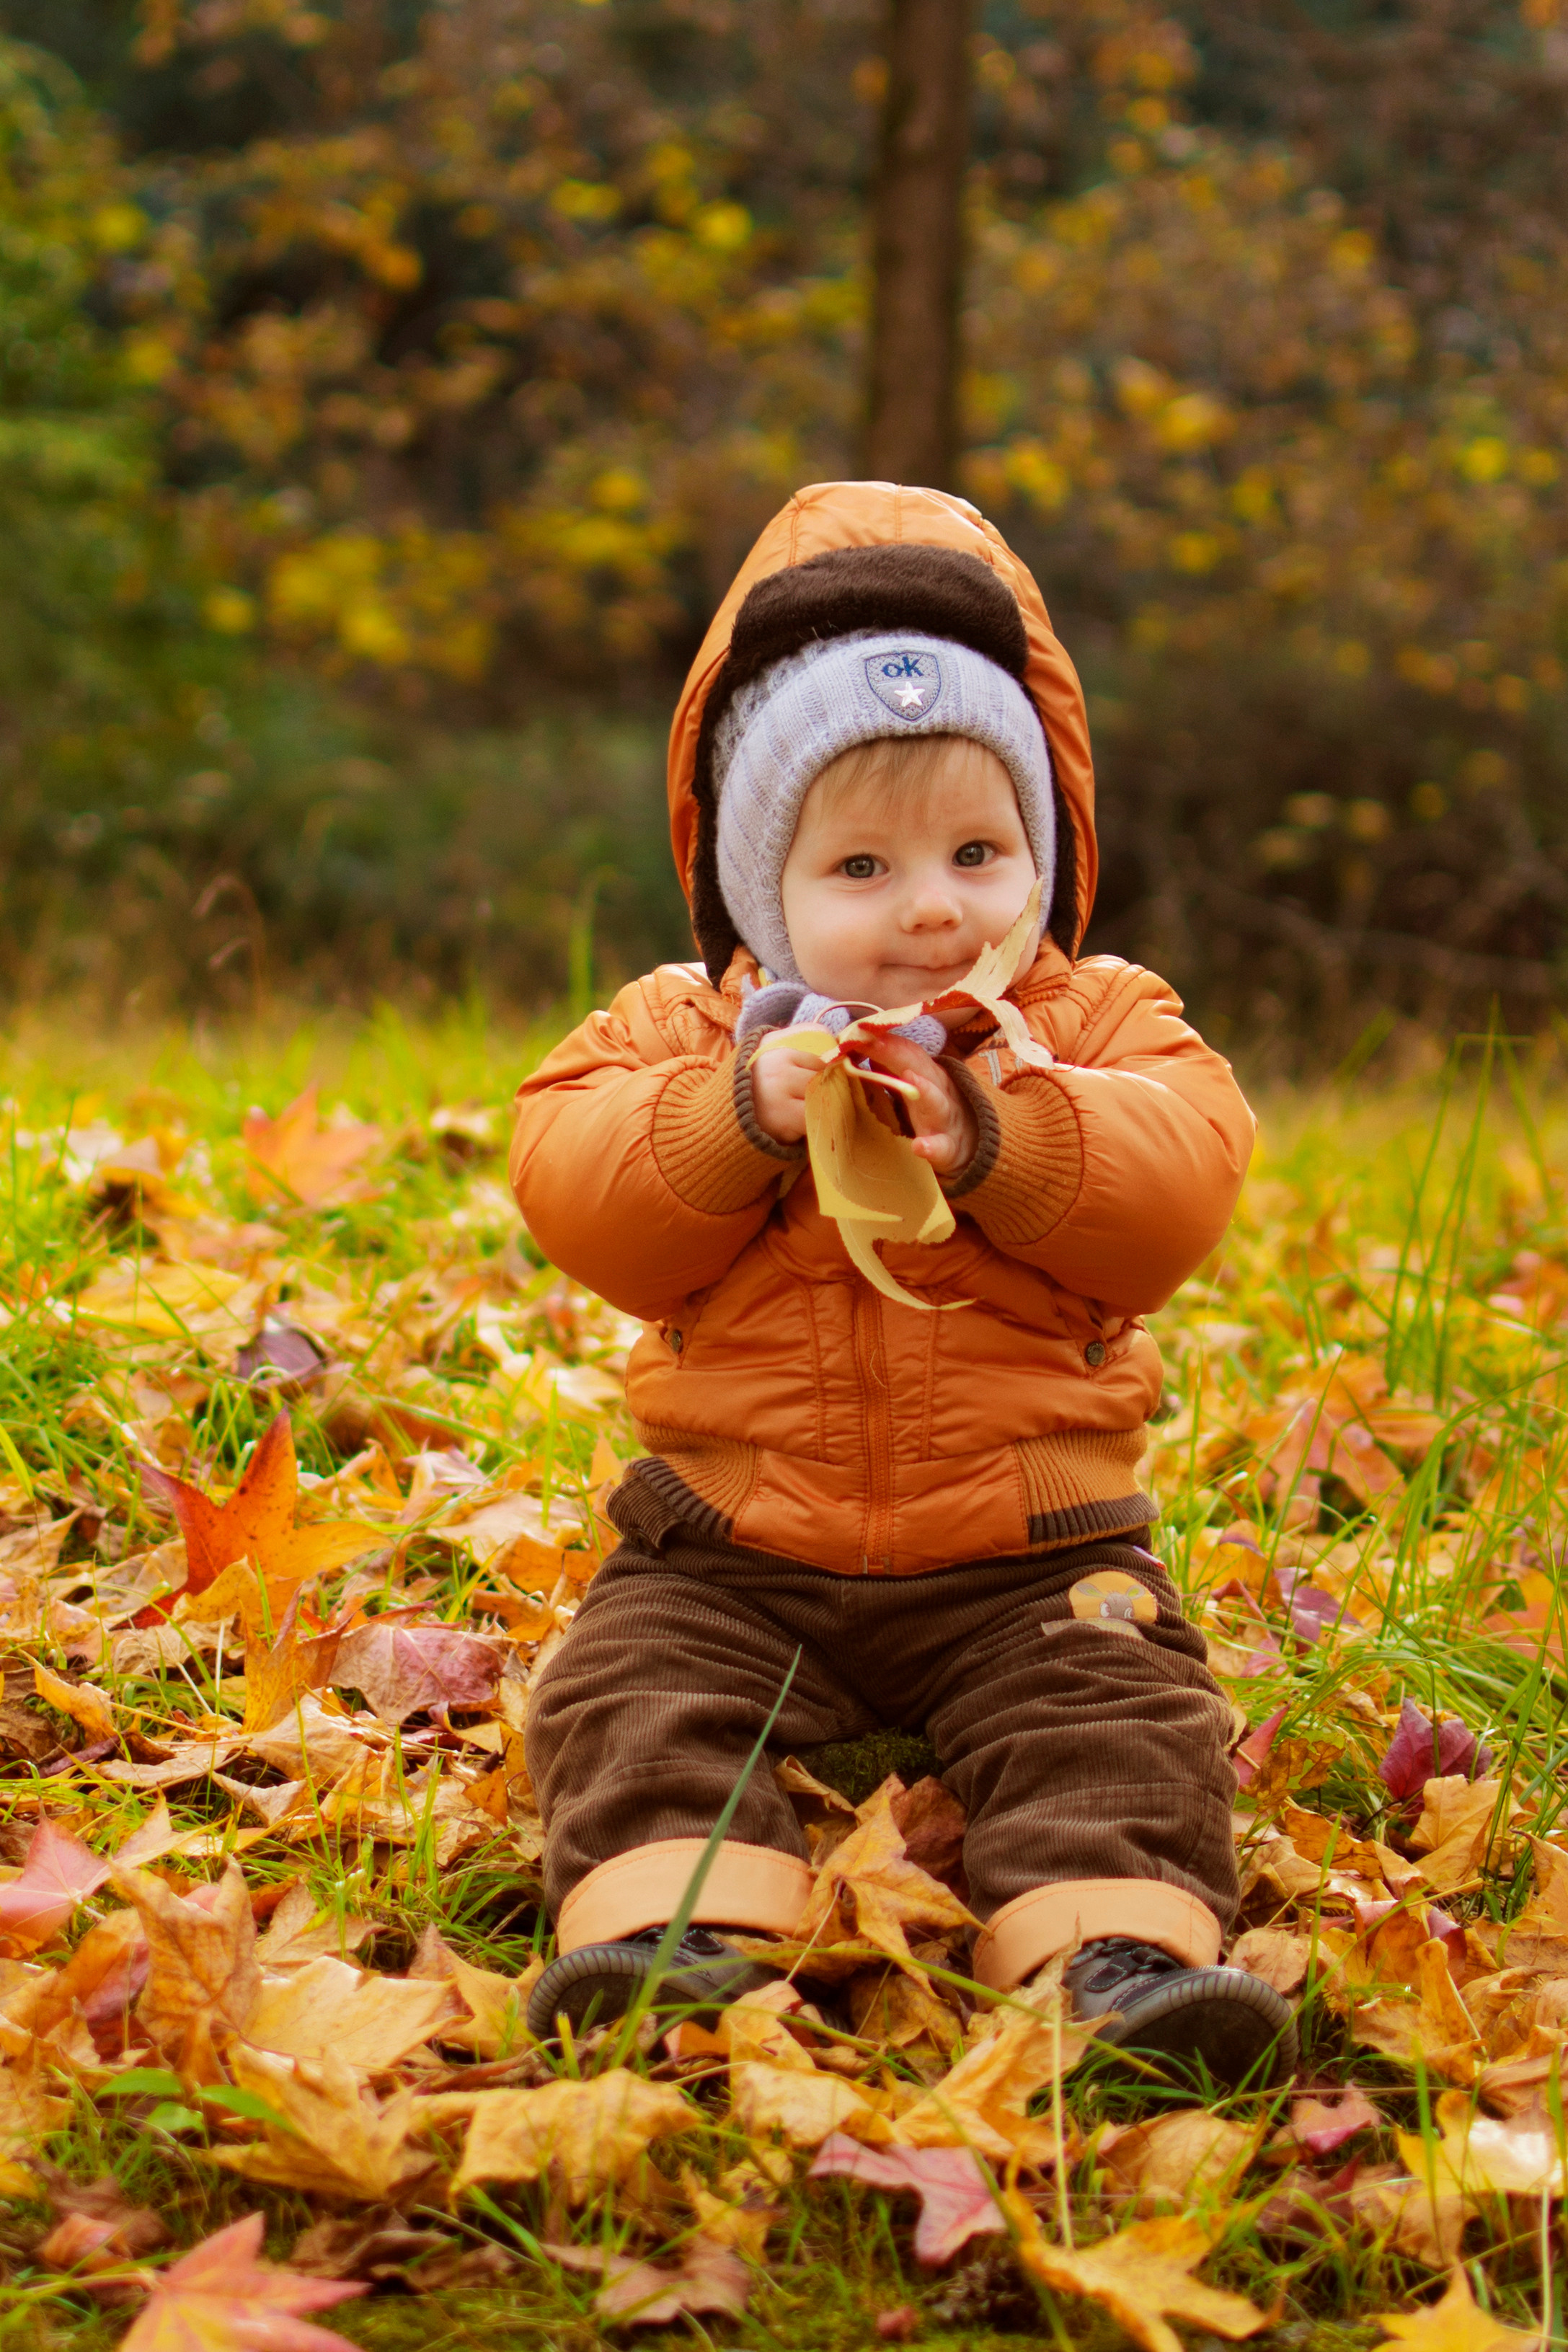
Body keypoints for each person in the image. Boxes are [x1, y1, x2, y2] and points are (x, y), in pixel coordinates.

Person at [509, 480, 1295, 2087]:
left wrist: (1001, 1129)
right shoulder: (689, 1030)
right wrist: (743, 1115)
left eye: (975, 848)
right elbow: (575, 1188)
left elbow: (1178, 1185)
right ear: (756, 887)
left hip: (1025, 1546)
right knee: (626, 1689)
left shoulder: (1093, 1020)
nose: (934, 904)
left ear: (1044, 848)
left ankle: (1115, 1957)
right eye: (860, 863)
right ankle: (677, 1930)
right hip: (732, 1544)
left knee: (1120, 1712)